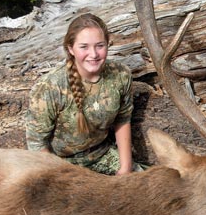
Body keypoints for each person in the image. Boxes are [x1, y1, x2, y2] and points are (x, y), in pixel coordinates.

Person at [25, 13, 136, 175]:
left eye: (100, 45)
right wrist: (60, 177)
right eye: (84, 47)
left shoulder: (121, 75)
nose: (94, 54)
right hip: (59, 163)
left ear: (107, 45)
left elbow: (123, 120)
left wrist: (125, 169)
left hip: (101, 154)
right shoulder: (49, 87)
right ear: (71, 49)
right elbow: (37, 143)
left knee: (144, 189)